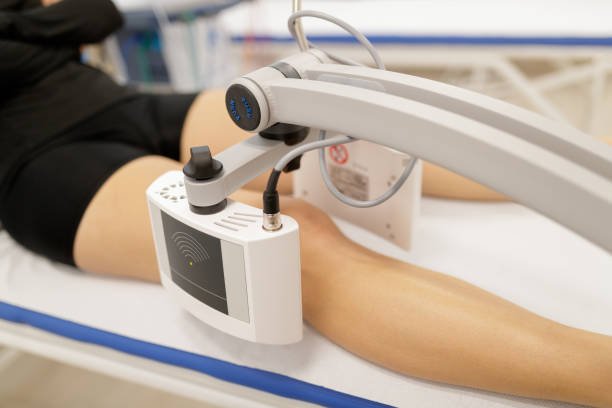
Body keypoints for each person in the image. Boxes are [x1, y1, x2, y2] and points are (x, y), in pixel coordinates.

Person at [1, 0, 611, 406]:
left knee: (355, 128)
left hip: (121, 102)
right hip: (37, 163)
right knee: (293, 244)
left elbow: (97, 14)